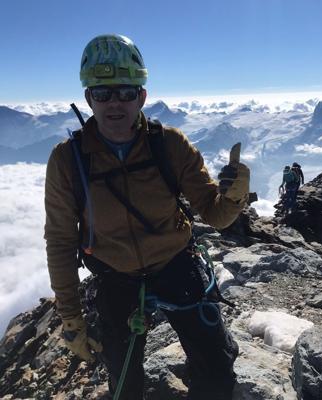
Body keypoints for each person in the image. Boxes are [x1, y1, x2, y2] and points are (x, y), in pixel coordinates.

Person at [44, 34, 250, 400]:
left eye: (125, 92)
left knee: (216, 369)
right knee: (124, 384)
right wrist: (70, 316)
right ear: (89, 98)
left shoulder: (169, 144)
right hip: (115, 276)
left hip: (175, 263)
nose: (114, 103)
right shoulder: (68, 160)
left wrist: (233, 198)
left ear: (141, 96)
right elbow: (60, 240)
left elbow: (215, 215)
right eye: (103, 93)